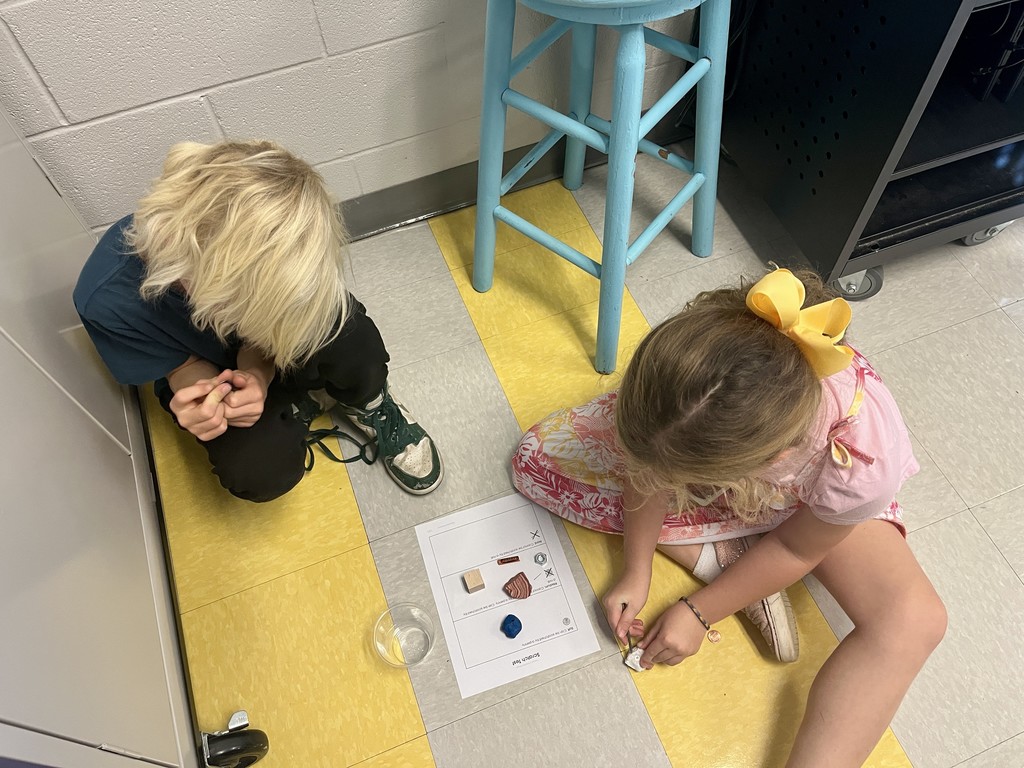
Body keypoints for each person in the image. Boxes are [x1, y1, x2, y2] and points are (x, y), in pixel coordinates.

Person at [512, 267, 946, 766]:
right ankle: (724, 557)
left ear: (762, 464)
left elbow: (795, 547)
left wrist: (700, 612)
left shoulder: (862, 463)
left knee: (915, 622)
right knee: (536, 460)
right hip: (733, 455)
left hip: (816, 505)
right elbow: (645, 465)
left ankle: (734, 561)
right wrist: (637, 569)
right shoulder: (700, 369)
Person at [75, 140, 443, 502]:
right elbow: (182, 365)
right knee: (258, 471)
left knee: (345, 331)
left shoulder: (257, 245)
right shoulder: (106, 300)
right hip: (215, 364)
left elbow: (283, 318)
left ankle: (370, 403)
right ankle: (300, 399)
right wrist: (207, 402)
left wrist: (258, 373)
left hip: (260, 351)